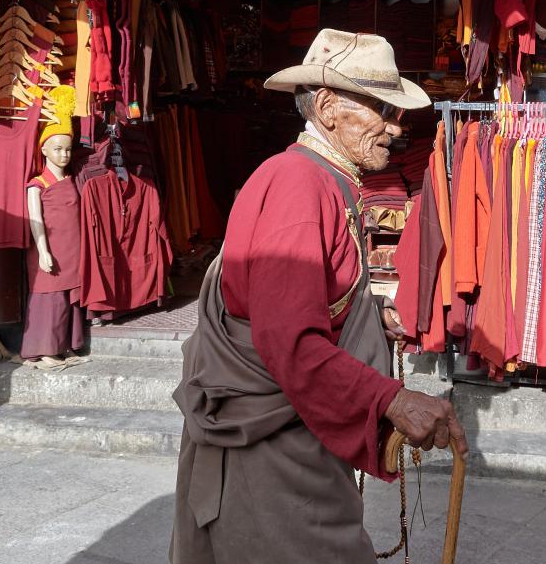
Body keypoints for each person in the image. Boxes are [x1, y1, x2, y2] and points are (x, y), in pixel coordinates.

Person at [171, 29, 468, 564]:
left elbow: (301, 303)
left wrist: (369, 318)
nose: (396, 126)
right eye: (381, 107)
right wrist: (392, 399)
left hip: (292, 446)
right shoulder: (299, 186)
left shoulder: (326, 179)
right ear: (328, 106)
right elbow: (289, 340)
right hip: (269, 461)